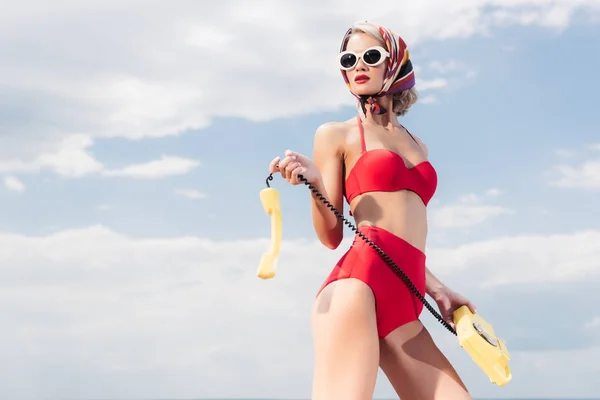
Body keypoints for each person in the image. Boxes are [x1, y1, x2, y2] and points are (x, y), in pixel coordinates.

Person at [269, 20, 477, 400]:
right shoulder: (337, 134)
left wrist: (438, 288)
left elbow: (401, 231)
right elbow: (331, 236)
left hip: (408, 296)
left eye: (370, 56)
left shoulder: (417, 144)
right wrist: (315, 184)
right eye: (348, 59)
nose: (357, 66)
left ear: (394, 62)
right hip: (357, 288)